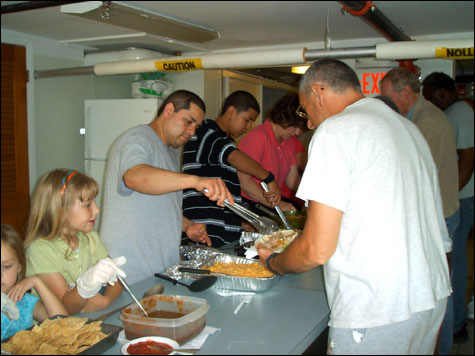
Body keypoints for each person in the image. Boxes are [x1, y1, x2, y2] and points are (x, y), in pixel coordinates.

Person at [258, 58, 452, 354]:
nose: (308, 122)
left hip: (378, 307)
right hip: (431, 294)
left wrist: (275, 262)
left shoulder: (336, 131)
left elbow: (316, 249)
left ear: (319, 92)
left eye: (305, 108)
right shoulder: (408, 129)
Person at [100, 90, 234, 284]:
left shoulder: (170, 152)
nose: (192, 131)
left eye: (196, 127)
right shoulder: (138, 138)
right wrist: (196, 181)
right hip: (129, 272)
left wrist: (187, 226)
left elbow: (159, 203)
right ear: (169, 110)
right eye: (189, 121)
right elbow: (134, 177)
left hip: (158, 268)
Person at [381, 68, 461, 353]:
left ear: (406, 92)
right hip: (440, 211)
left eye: (387, 95)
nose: (384, 103)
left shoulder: (426, 121)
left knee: (438, 289)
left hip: (440, 215)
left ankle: (442, 348)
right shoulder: (418, 118)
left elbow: (419, 177)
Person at [182, 91, 281, 248]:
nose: (248, 127)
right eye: (247, 120)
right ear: (231, 111)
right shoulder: (206, 132)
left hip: (221, 231)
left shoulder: (223, 140)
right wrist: (268, 178)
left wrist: (238, 223)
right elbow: (233, 156)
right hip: (204, 230)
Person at [24, 169, 126, 315]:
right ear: (60, 209)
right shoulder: (40, 250)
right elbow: (67, 308)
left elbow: (117, 283)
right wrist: (85, 288)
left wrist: (105, 301)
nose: (96, 210)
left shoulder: (90, 238)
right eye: (88, 204)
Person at [422, 72, 475, 343]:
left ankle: (455, 326)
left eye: (430, 96)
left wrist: (451, 196)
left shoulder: (460, 112)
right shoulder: (455, 112)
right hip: (458, 198)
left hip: (461, 200)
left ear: (442, 92)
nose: (429, 101)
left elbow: (469, 156)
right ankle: (454, 324)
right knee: (452, 264)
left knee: (453, 266)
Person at [238, 93, 307, 212]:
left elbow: (292, 180)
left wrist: (311, 196)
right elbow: (243, 182)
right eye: (295, 126)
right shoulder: (258, 137)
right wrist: (278, 204)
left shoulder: (289, 142)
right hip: (249, 205)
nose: (298, 133)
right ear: (284, 118)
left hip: (268, 204)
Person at [1, 224, 68, 340]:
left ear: (19, 267)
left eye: (7, 267)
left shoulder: (24, 300)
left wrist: (38, 283)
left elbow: (64, 326)